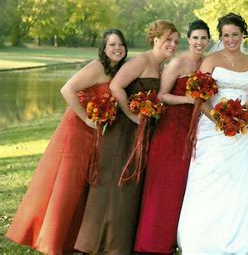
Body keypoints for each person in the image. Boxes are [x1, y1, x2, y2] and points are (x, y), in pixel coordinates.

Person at [6, 29, 127, 254]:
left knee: (85, 183)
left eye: (120, 44)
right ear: (104, 48)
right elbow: (67, 89)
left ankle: (75, 241)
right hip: (78, 128)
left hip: (99, 132)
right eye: (112, 44)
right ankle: (53, 240)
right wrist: (85, 118)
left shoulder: (119, 69)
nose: (117, 48)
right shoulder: (97, 67)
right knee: (69, 181)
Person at [74, 20, 180, 254]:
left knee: (129, 186)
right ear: (155, 39)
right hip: (122, 130)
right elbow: (116, 87)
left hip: (143, 131)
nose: (172, 45)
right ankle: (93, 243)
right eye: (168, 40)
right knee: (112, 182)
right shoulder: (141, 61)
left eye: (175, 41)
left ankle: (118, 244)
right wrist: (131, 115)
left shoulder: (161, 67)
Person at [177, 13, 248, 254]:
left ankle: (243, 238)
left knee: (240, 180)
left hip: (244, 131)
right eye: (226, 35)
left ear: (243, 35)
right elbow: (200, 97)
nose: (231, 39)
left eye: (235, 35)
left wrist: (244, 120)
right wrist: (220, 121)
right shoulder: (210, 61)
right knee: (211, 177)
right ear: (221, 37)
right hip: (214, 127)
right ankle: (204, 239)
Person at [134, 19, 210, 253]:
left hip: (195, 128)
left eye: (203, 38)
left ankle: (176, 237)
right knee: (165, 183)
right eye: (195, 38)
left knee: (184, 185)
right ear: (190, 40)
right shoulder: (178, 62)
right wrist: (190, 100)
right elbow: (162, 96)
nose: (199, 42)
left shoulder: (208, 63)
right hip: (171, 129)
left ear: (208, 41)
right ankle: (152, 241)